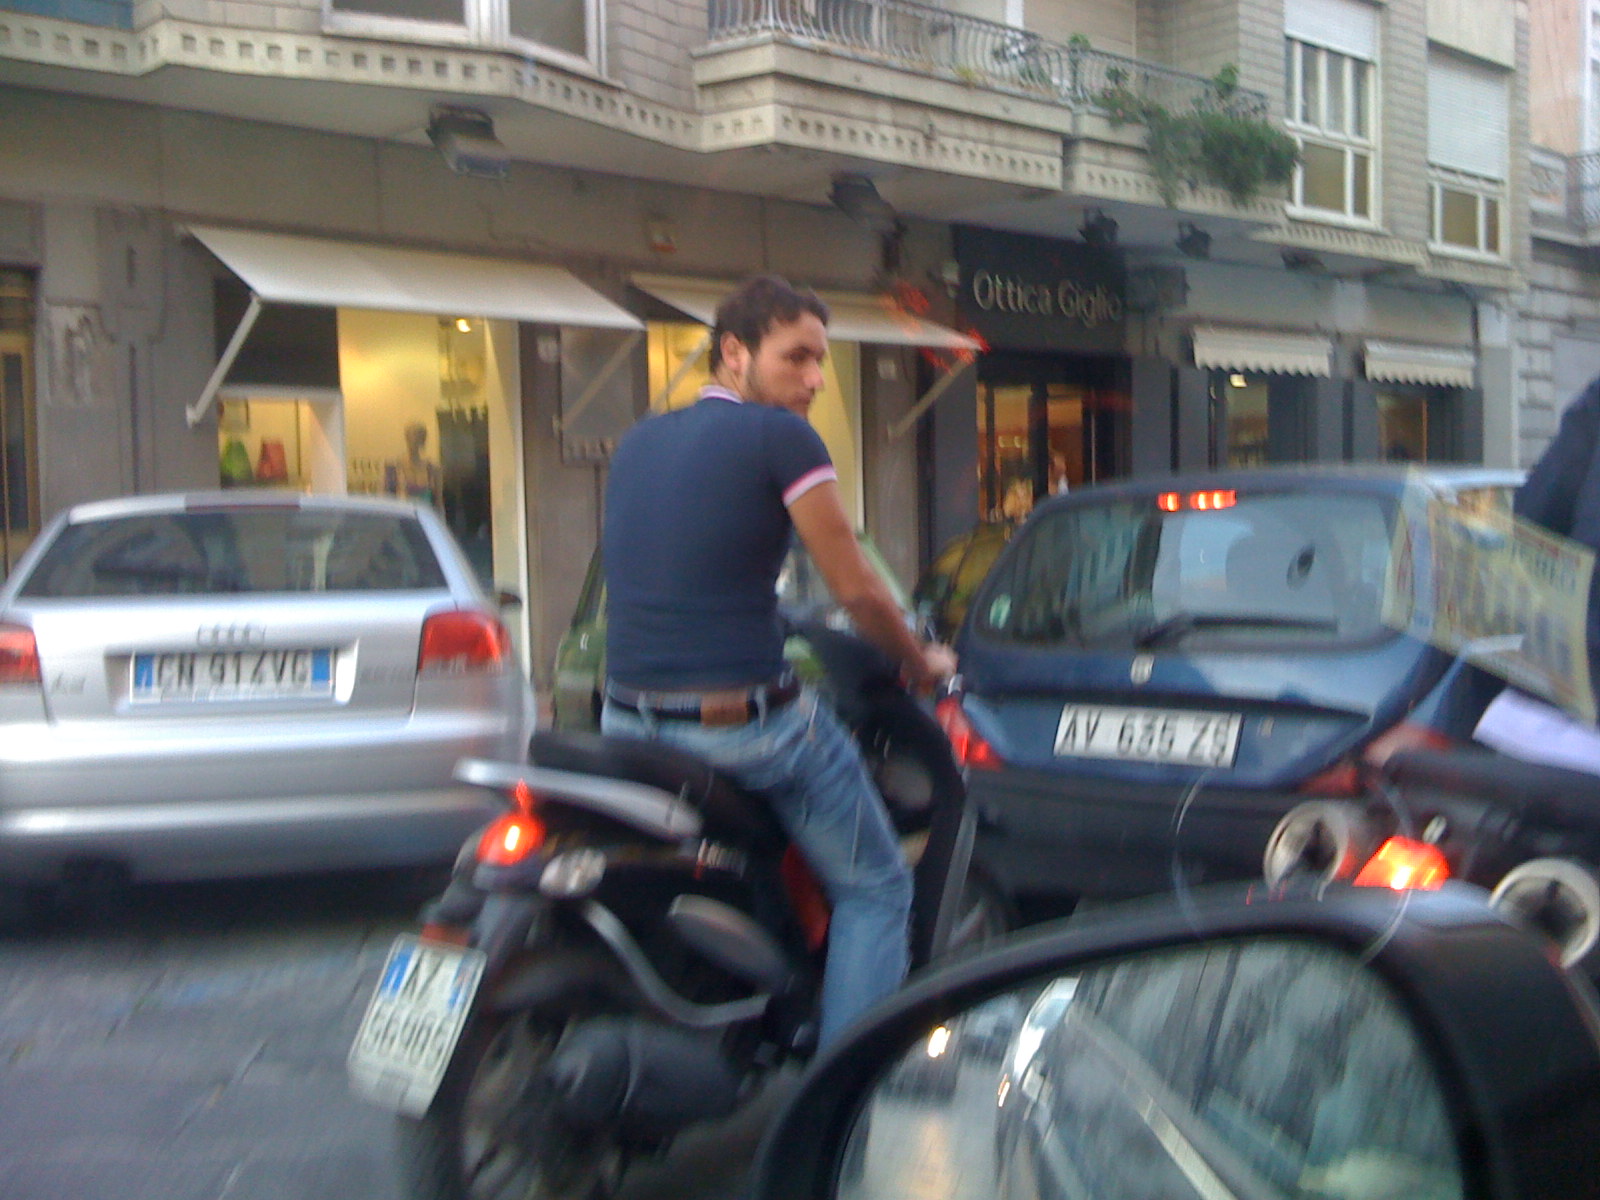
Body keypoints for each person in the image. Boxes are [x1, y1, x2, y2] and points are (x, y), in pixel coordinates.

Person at [600, 274, 957, 1048]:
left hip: (626, 724)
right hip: (743, 732)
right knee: (877, 888)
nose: (816, 378)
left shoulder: (638, 441)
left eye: (821, 360)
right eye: (797, 357)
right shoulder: (782, 439)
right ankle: (842, 1092)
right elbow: (858, 590)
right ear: (734, 352)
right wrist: (919, 660)